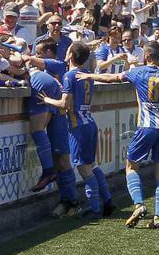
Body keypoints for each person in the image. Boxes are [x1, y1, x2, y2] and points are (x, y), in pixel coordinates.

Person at [78, 41, 159, 229]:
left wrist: (89, 74)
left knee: (131, 166)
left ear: (146, 56)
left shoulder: (137, 72)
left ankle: (139, 204)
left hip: (146, 127)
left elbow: (111, 77)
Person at [39, 42, 115, 218]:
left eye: (67, 50)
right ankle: (108, 201)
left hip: (77, 126)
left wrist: (48, 100)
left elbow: (65, 105)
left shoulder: (69, 76)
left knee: (84, 169)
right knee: (92, 165)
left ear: (71, 56)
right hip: (89, 122)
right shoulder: (87, 74)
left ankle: (95, 209)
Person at [27, 59, 79, 218]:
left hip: (67, 117)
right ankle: (67, 202)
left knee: (65, 160)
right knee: (61, 160)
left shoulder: (60, 66)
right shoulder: (60, 72)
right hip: (64, 115)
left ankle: (73, 202)